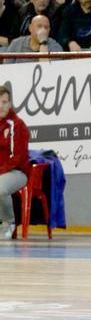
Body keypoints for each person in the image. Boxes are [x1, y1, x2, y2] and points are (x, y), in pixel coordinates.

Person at [0, 85, 30, 240]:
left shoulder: (18, 125)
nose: (1, 106)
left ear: (10, 104)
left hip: (17, 172)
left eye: (4, 102)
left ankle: (8, 223)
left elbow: (17, 157)